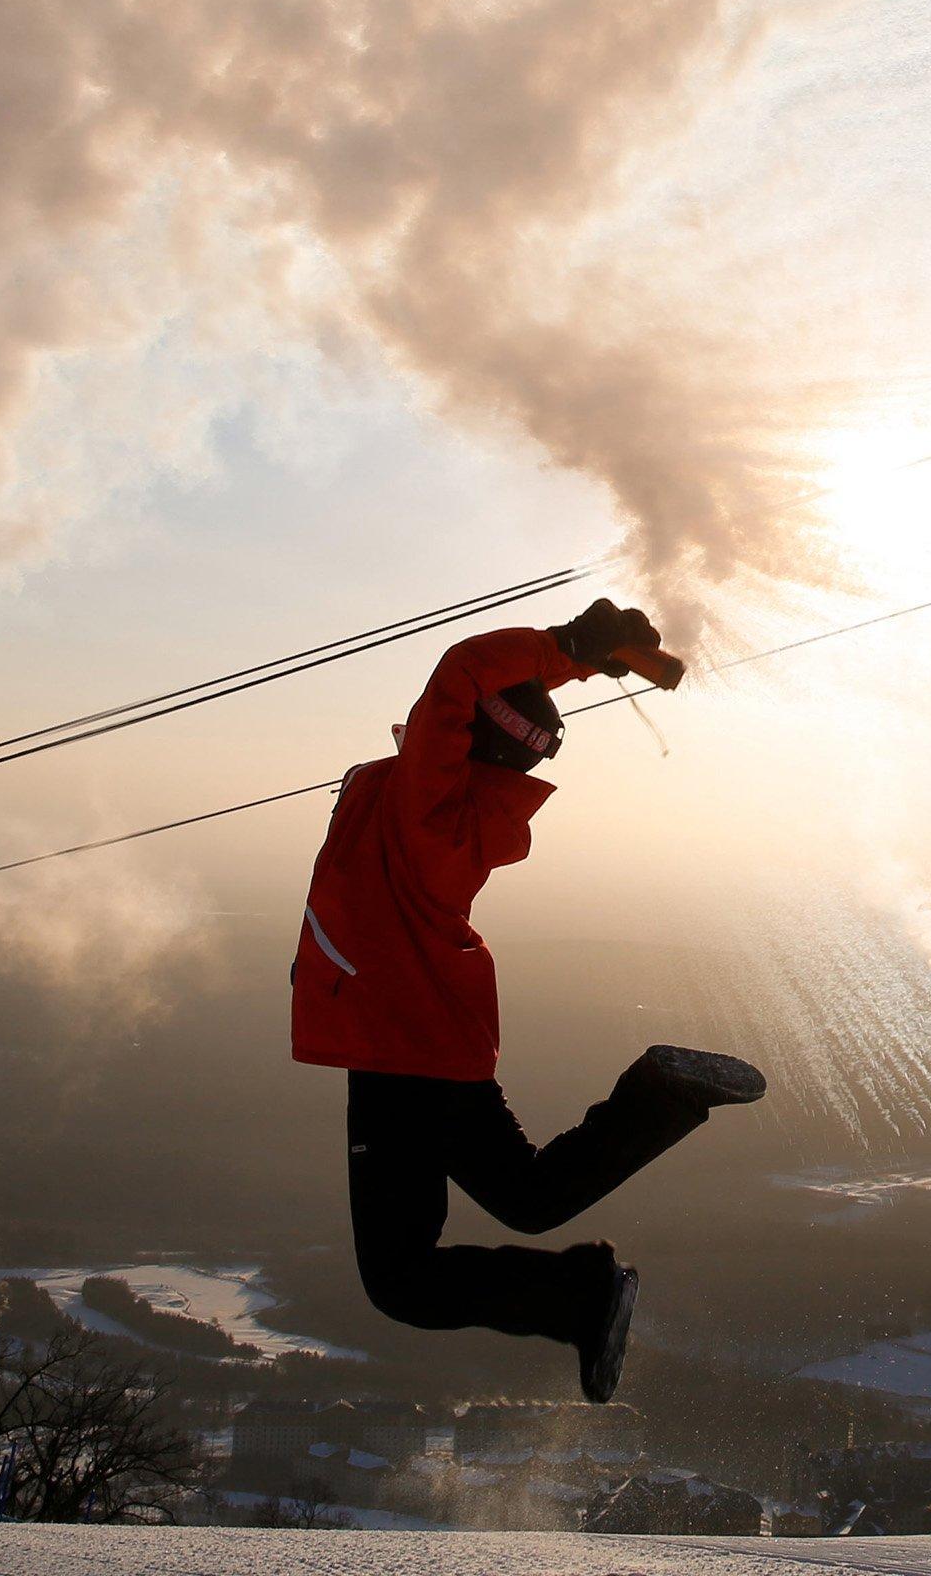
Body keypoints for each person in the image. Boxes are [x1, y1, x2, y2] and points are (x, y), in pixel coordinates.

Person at [292, 597, 764, 1402]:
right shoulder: (440, 809)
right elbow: (464, 710)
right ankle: (644, 1140)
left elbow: (460, 672)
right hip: (419, 1050)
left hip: (401, 1057)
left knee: (403, 1278)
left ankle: (590, 1273)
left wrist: (569, 648)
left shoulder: (426, 813)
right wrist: (580, 662)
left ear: (464, 741)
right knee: (527, 1200)